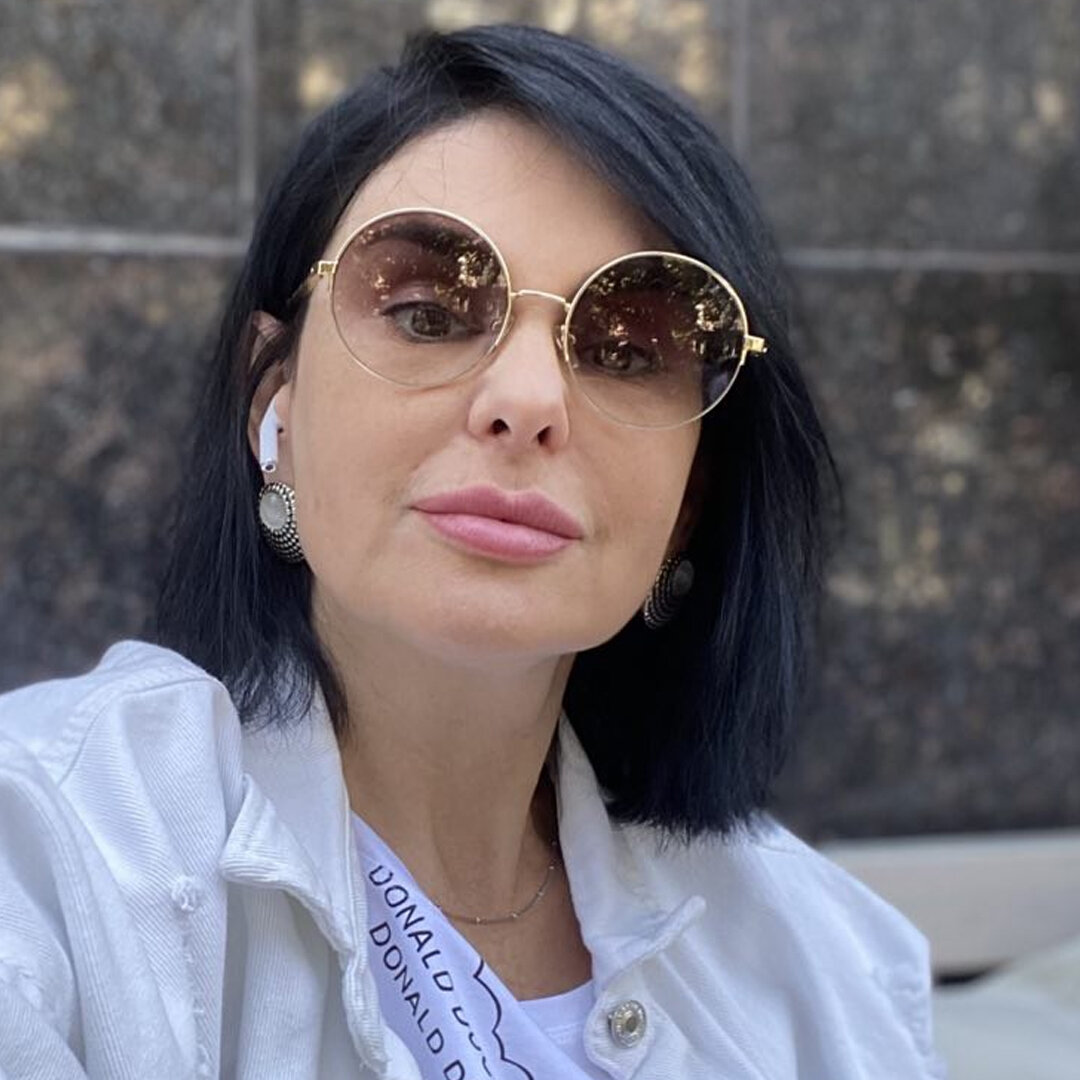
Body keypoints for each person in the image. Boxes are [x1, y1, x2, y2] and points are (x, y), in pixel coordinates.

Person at [0, 22, 944, 1080]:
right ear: (276, 406)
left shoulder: (827, 973)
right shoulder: (46, 857)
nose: (529, 400)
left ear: (688, 503)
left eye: (626, 350)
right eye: (426, 314)